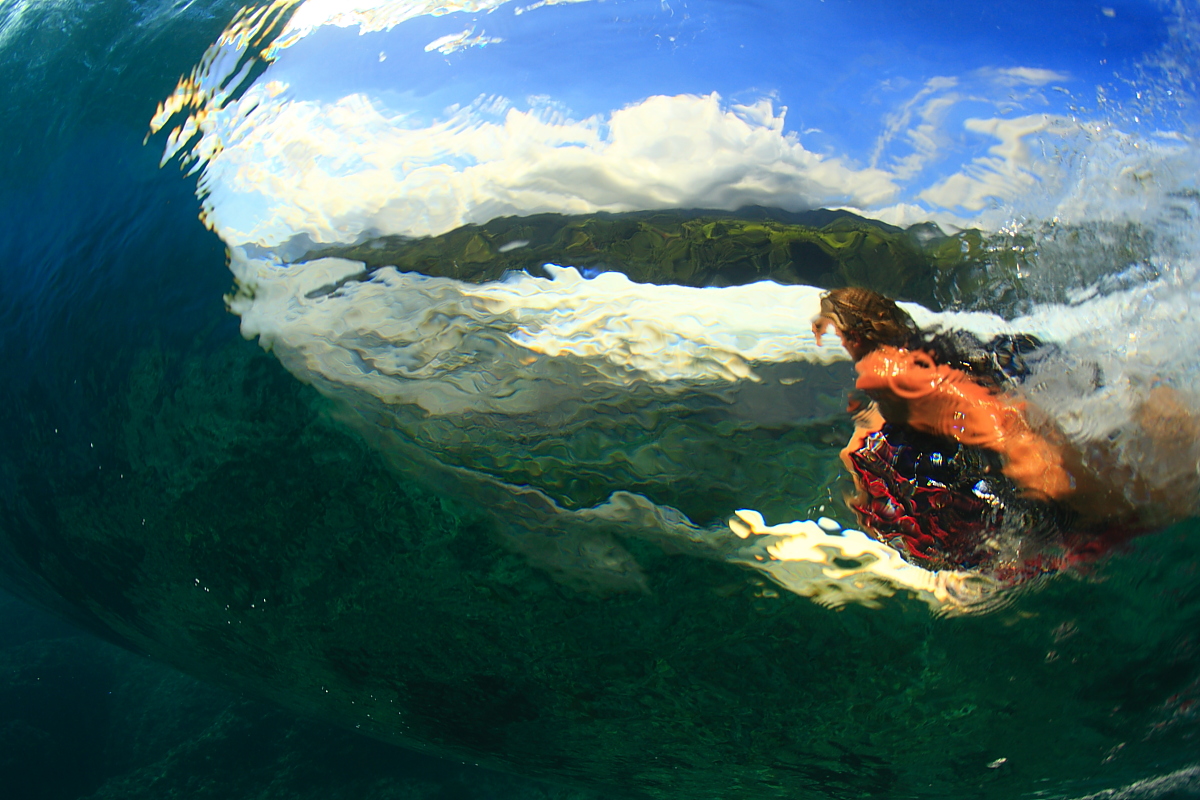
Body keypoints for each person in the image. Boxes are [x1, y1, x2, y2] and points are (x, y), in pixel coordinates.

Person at [811, 287, 1197, 578]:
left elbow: (1031, 450)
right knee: (1152, 407)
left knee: (1165, 444)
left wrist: (1101, 512)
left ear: (853, 337)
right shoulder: (892, 385)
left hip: (1069, 491)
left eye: (828, 329)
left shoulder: (895, 375)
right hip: (1038, 412)